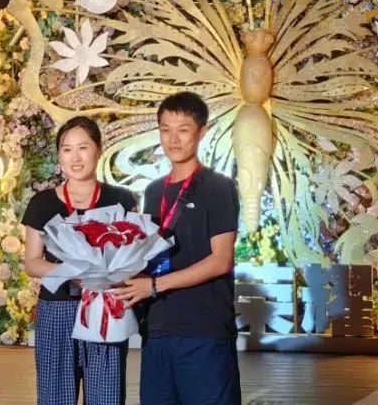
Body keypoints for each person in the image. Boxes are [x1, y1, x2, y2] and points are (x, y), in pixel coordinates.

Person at [114, 92, 242, 405]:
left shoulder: (219, 187)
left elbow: (221, 260)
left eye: (183, 130)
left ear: (201, 132)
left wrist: (154, 285)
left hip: (204, 330)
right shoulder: (153, 190)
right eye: (165, 129)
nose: (173, 139)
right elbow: (149, 253)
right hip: (157, 329)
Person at [21, 116, 137, 405]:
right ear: (59, 156)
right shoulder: (42, 203)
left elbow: (134, 255)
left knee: (107, 394)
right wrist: (74, 271)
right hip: (57, 307)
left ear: (98, 149)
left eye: (83, 148)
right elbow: (32, 262)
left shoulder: (122, 200)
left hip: (105, 307)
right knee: (55, 395)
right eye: (67, 149)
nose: (75, 157)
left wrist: (111, 274)